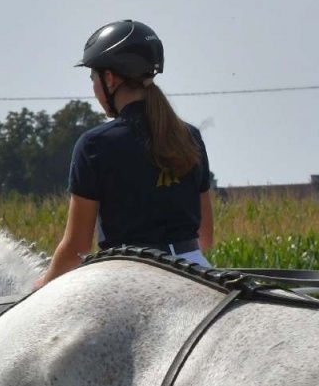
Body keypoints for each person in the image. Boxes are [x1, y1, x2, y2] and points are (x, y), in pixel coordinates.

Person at [37, 19, 213, 286]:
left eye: (93, 78)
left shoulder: (95, 145)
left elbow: (76, 248)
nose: (94, 89)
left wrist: (39, 286)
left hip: (129, 279)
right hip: (197, 269)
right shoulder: (190, 136)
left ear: (110, 78)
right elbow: (206, 237)